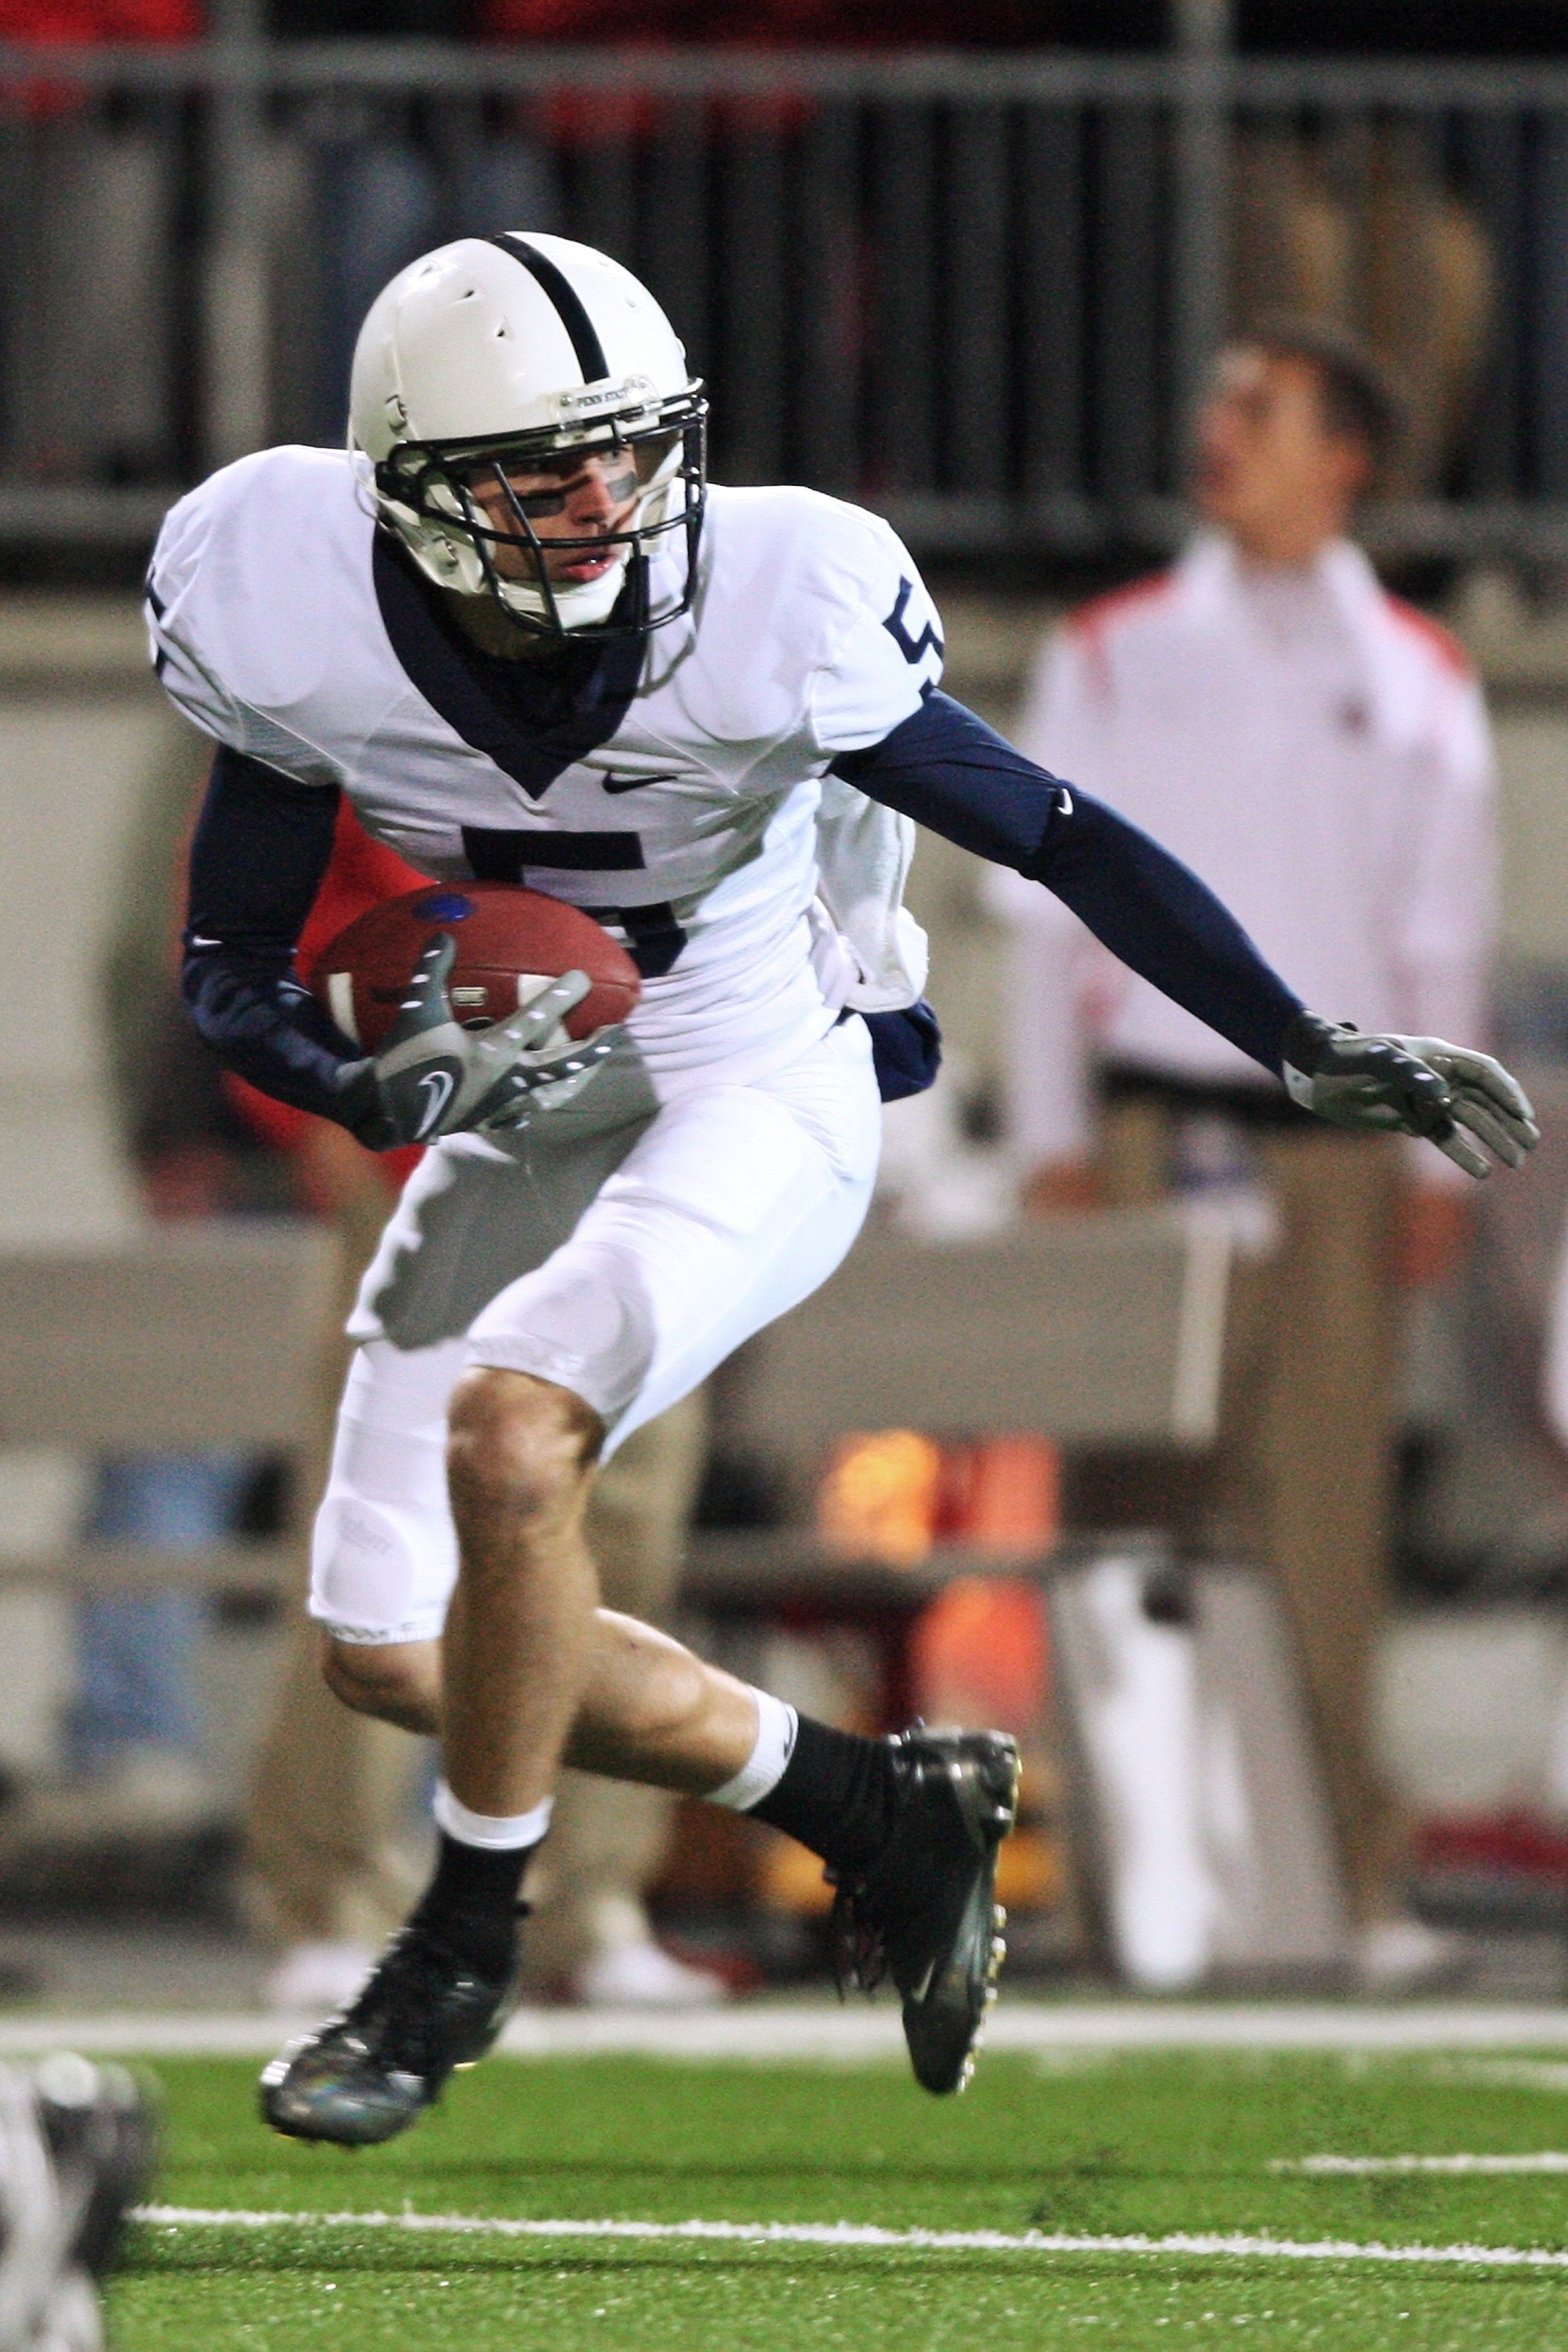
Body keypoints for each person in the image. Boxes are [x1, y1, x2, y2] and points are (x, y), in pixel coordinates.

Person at [143, 234, 1534, 2146]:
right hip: (533, 1097)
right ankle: (877, 1809)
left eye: (633, 455)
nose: (610, 504)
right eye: (550, 473)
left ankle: (454, 1960)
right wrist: (355, 1076)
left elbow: (1053, 833)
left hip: (744, 1069)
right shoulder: (285, 596)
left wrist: (1293, 1038)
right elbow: (226, 959)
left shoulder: (767, 599)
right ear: (417, 487)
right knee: (390, 1652)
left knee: (510, 1441)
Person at [991, 318, 1501, 1987]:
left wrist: (1435, 1163)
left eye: (1258, 407)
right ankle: (1121, 1887)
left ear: (1344, 455)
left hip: (1340, 1144)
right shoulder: (1119, 648)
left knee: (1326, 1518)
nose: (1219, 427)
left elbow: (1440, 932)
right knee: (1129, 1505)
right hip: (1150, 1119)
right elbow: (1038, 901)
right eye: (1213, 397)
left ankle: (1350, 1886)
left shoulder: (1414, 671)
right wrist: (1053, 1132)